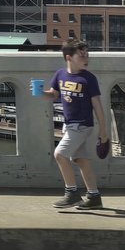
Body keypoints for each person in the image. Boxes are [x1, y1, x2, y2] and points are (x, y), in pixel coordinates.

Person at [45, 39, 110, 210]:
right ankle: (94, 197)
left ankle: (72, 193)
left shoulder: (89, 79)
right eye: (81, 55)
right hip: (69, 125)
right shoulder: (60, 75)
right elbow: (53, 95)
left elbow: (97, 105)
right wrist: (40, 93)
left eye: (87, 54)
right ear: (69, 57)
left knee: (59, 154)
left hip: (81, 125)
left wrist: (103, 130)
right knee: (80, 159)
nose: (86, 58)